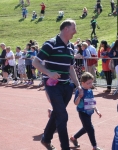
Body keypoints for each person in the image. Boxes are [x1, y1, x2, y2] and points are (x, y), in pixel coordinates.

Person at [32, 19, 83, 150]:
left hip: (67, 86)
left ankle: (46, 139)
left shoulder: (71, 47)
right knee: (62, 116)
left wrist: (78, 86)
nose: (75, 31)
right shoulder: (50, 44)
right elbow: (35, 63)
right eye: (73, 28)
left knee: (57, 113)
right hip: (53, 86)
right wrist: (49, 73)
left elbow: (71, 68)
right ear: (66, 29)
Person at [70, 72, 102, 150]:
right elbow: (75, 103)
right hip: (82, 112)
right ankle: (94, 146)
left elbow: (92, 101)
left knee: (86, 128)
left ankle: (74, 138)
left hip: (89, 112)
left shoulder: (90, 90)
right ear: (82, 83)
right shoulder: (79, 91)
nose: (90, 84)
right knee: (90, 128)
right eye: (88, 83)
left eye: (91, 82)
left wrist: (97, 110)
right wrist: (79, 97)